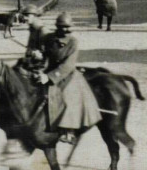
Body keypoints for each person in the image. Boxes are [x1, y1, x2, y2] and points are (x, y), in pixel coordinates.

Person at [35, 12, 101, 145]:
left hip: (67, 75)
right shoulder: (49, 38)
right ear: (57, 26)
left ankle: (68, 130)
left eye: (67, 27)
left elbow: (68, 65)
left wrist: (49, 77)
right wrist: (39, 55)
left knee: (68, 97)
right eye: (61, 27)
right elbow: (45, 53)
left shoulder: (73, 42)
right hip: (48, 70)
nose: (65, 30)